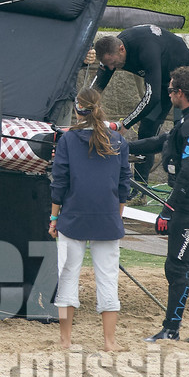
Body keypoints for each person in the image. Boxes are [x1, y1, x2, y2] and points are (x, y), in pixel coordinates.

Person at [133, 66, 189, 344]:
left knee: (177, 267)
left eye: (171, 90)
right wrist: (123, 146)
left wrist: (168, 209)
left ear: (180, 93)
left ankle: (171, 329)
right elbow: (163, 141)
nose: (168, 94)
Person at [49, 87, 132, 352]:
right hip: (107, 216)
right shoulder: (117, 140)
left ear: (77, 110)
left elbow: (59, 182)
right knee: (107, 279)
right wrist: (116, 216)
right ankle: (109, 342)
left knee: (68, 276)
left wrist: (53, 217)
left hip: (73, 215)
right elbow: (123, 185)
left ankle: (66, 340)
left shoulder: (67, 140)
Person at [92, 25, 189, 182]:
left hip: (184, 82)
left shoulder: (146, 50)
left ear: (121, 49)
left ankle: (180, 188)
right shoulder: (111, 51)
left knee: (182, 132)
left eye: (112, 63)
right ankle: (140, 190)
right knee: (146, 130)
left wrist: (125, 124)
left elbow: (152, 97)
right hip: (162, 81)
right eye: (107, 64)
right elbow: (95, 89)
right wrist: (83, 107)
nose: (111, 68)